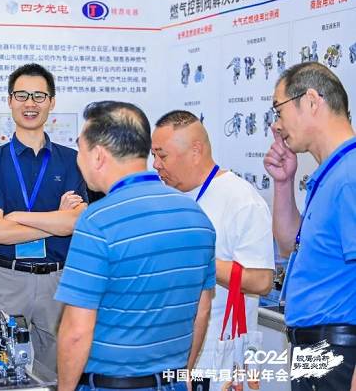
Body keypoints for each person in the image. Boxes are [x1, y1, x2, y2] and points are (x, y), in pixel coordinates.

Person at [56, 101, 216, 391]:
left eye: (80, 150)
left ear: (98, 156)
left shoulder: (96, 221)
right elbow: (202, 310)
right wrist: (182, 376)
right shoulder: (196, 216)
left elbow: (77, 332)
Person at [0, 63, 88, 371]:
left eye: (39, 96)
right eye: (22, 95)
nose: (30, 103)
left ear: (52, 102)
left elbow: (75, 222)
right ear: (9, 101)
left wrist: (18, 218)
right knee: (0, 372)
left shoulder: (72, 161)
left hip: (58, 280)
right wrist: (57, 219)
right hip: (8, 280)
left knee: (61, 373)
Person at [151, 110, 274, 389]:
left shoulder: (241, 200)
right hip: (165, 353)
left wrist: (196, 259)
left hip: (214, 361)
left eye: (163, 155)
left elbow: (261, 280)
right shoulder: (166, 195)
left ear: (196, 151)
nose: (156, 164)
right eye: (153, 155)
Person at [263, 62, 356, 390]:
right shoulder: (332, 172)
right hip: (315, 348)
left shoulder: (349, 176)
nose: (276, 124)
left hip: (338, 350)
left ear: (312, 101)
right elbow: (289, 246)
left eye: (279, 110)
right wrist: (283, 183)